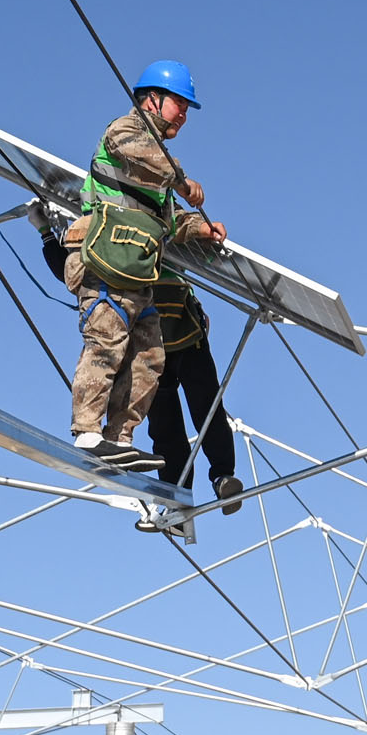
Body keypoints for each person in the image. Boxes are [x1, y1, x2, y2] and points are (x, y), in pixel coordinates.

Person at [62, 62, 228, 472]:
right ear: (152, 98)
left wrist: (200, 229)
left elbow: (166, 220)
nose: (183, 115)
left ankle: (119, 436)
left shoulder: (156, 173)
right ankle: (87, 430)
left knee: (150, 356)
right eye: (179, 104)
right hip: (104, 261)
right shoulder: (124, 131)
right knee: (105, 342)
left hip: (135, 271)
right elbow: (139, 154)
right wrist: (183, 181)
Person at [144, 279, 242, 506]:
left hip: (174, 328)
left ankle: (218, 477)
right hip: (159, 333)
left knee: (202, 409)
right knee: (169, 420)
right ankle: (178, 490)